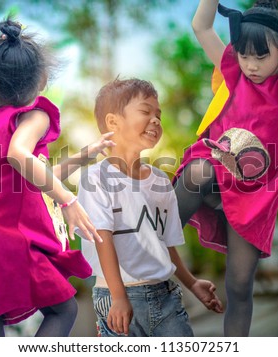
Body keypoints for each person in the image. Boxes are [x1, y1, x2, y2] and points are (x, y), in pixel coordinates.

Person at [0, 19, 115, 337]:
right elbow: (21, 156)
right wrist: (68, 199)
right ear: (43, 79)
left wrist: (86, 154)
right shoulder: (35, 115)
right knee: (64, 309)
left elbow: (30, 179)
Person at [173, 0, 278, 336]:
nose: (251, 65)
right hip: (213, 174)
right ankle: (154, 239)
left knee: (239, 285)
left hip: (254, 198)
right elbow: (201, 26)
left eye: (261, 56)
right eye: (244, 55)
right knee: (198, 171)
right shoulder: (233, 73)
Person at [76, 78, 223, 337]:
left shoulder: (160, 181)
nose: (155, 120)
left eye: (158, 115)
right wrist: (119, 296)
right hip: (115, 298)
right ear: (113, 122)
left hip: (165, 296)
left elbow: (164, 245)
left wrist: (192, 283)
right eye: (145, 111)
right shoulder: (95, 178)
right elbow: (102, 238)